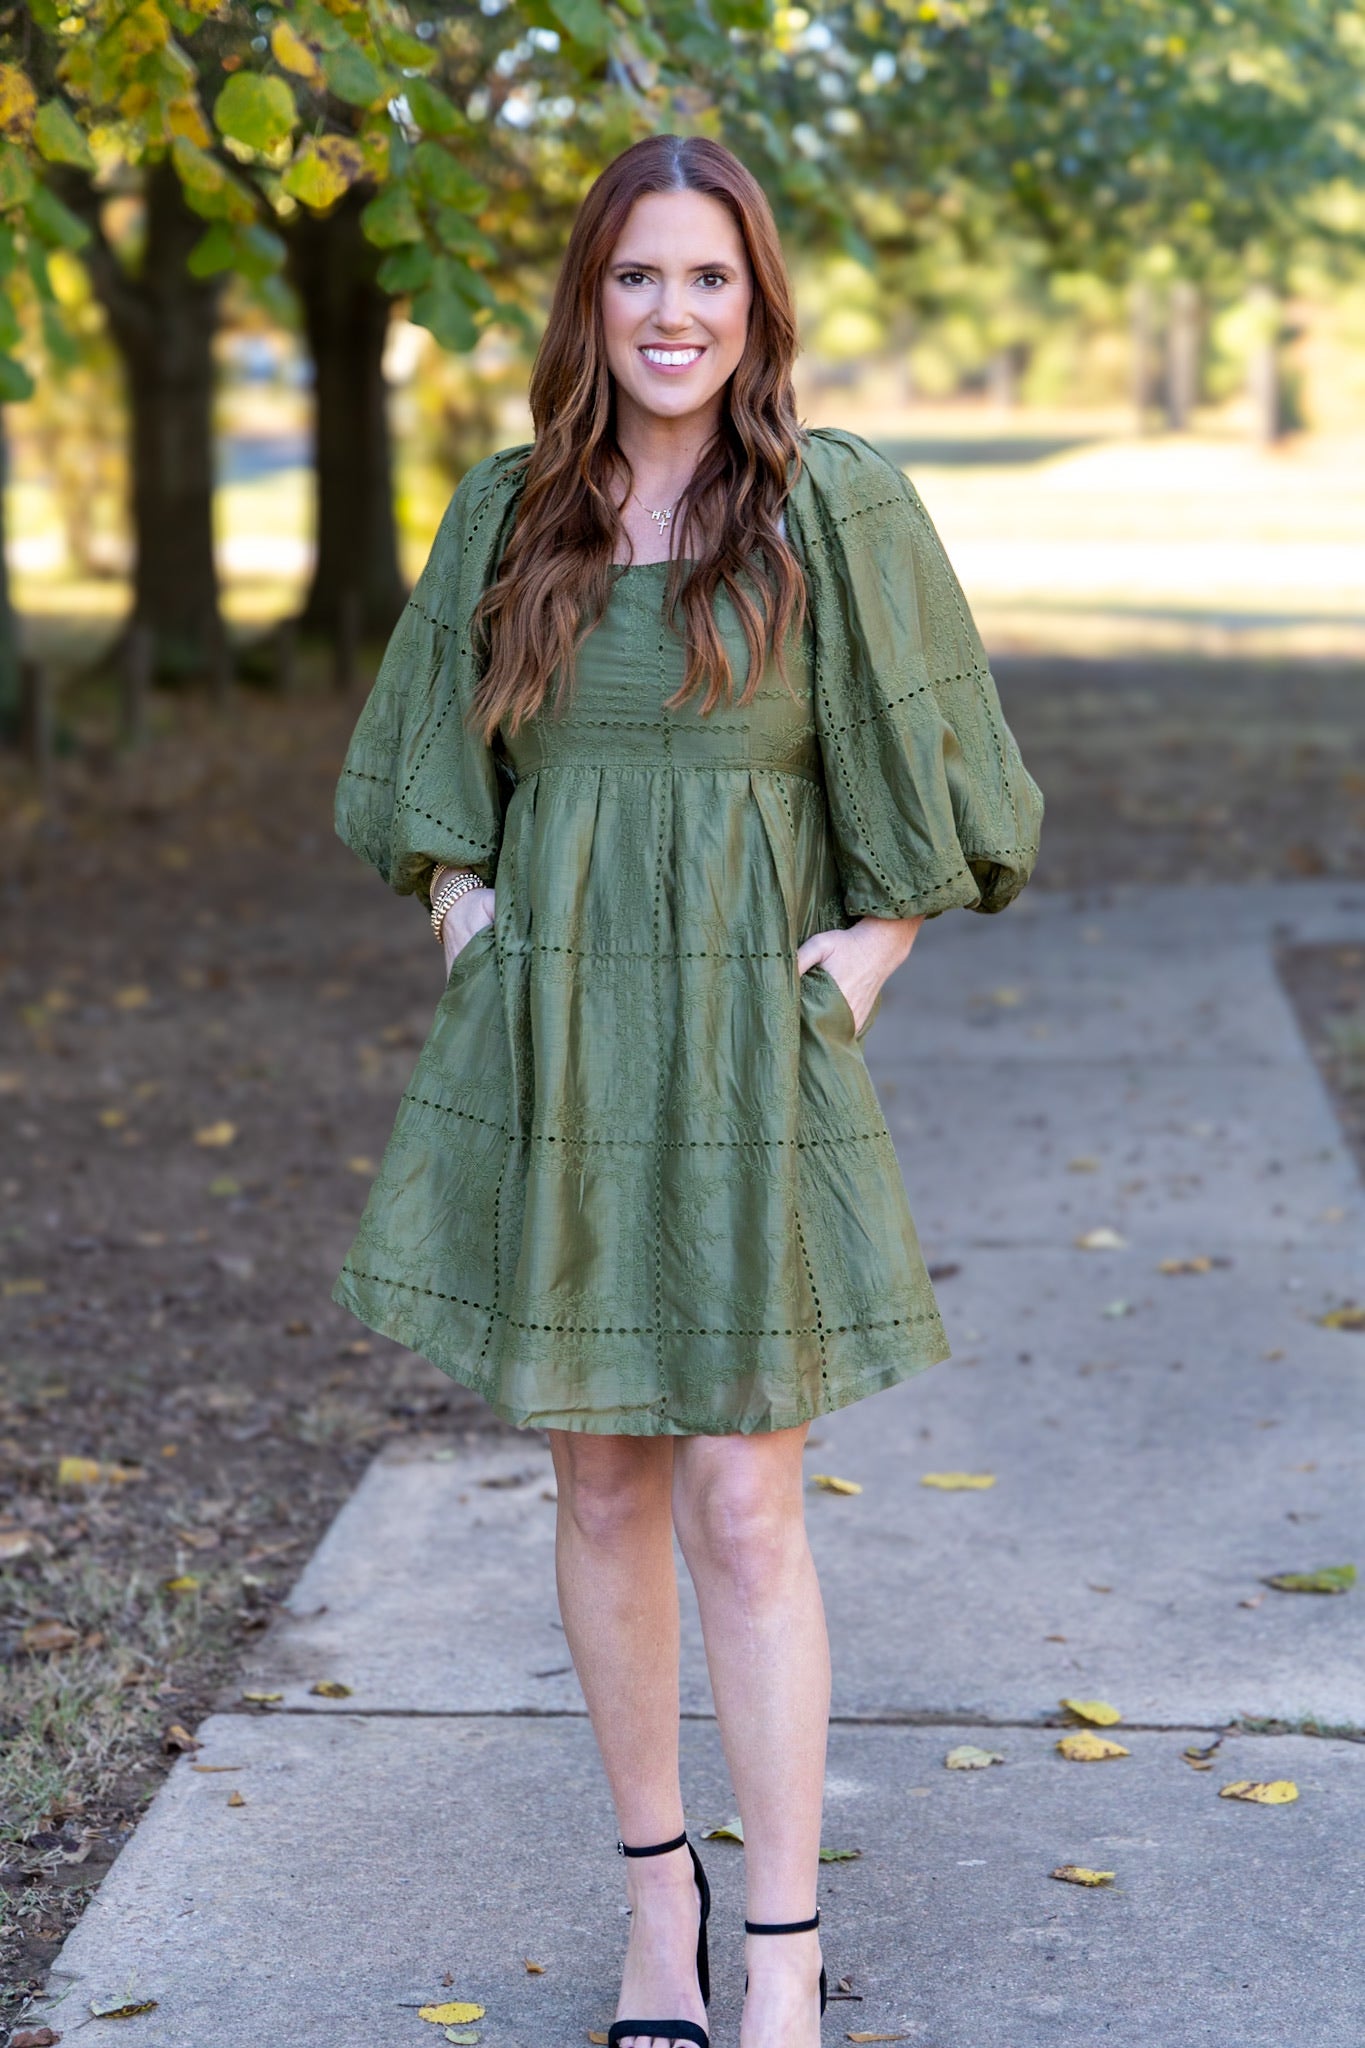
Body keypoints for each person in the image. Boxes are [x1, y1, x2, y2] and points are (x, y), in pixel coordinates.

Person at [331, 134, 1042, 2048]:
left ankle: (786, 1951)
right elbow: (423, 772)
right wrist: (476, 927)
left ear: (756, 303)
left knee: (744, 1499)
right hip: (564, 1049)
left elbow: (943, 765)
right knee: (601, 1480)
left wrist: (867, 962)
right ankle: (662, 1911)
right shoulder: (507, 512)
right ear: (591, 300)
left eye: (707, 279)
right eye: (637, 277)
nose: (671, 314)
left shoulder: (836, 508)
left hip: (750, 1045)